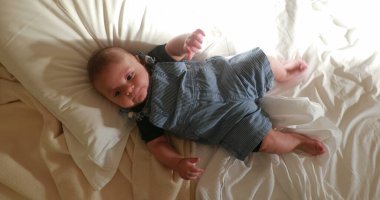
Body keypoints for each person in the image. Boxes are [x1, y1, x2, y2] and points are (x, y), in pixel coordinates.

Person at [87, 29, 326, 181]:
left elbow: (174, 47)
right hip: (226, 122)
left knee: (262, 61)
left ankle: (282, 71)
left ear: (140, 61)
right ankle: (297, 142)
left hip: (226, 81)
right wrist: (177, 162)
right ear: (111, 101)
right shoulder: (144, 117)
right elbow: (157, 145)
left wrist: (187, 41)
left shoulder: (157, 61)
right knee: (265, 142)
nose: (128, 89)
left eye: (129, 77)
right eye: (117, 93)